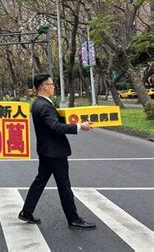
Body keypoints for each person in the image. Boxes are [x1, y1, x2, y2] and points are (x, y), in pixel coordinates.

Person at [19, 74, 96, 230]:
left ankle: (26, 212)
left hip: (46, 150)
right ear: (43, 86)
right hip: (55, 152)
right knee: (64, 186)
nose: (54, 86)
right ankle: (73, 219)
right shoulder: (44, 105)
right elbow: (56, 127)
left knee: (40, 181)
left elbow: (53, 123)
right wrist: (80, 126)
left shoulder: (38, 104)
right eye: (52, 84)